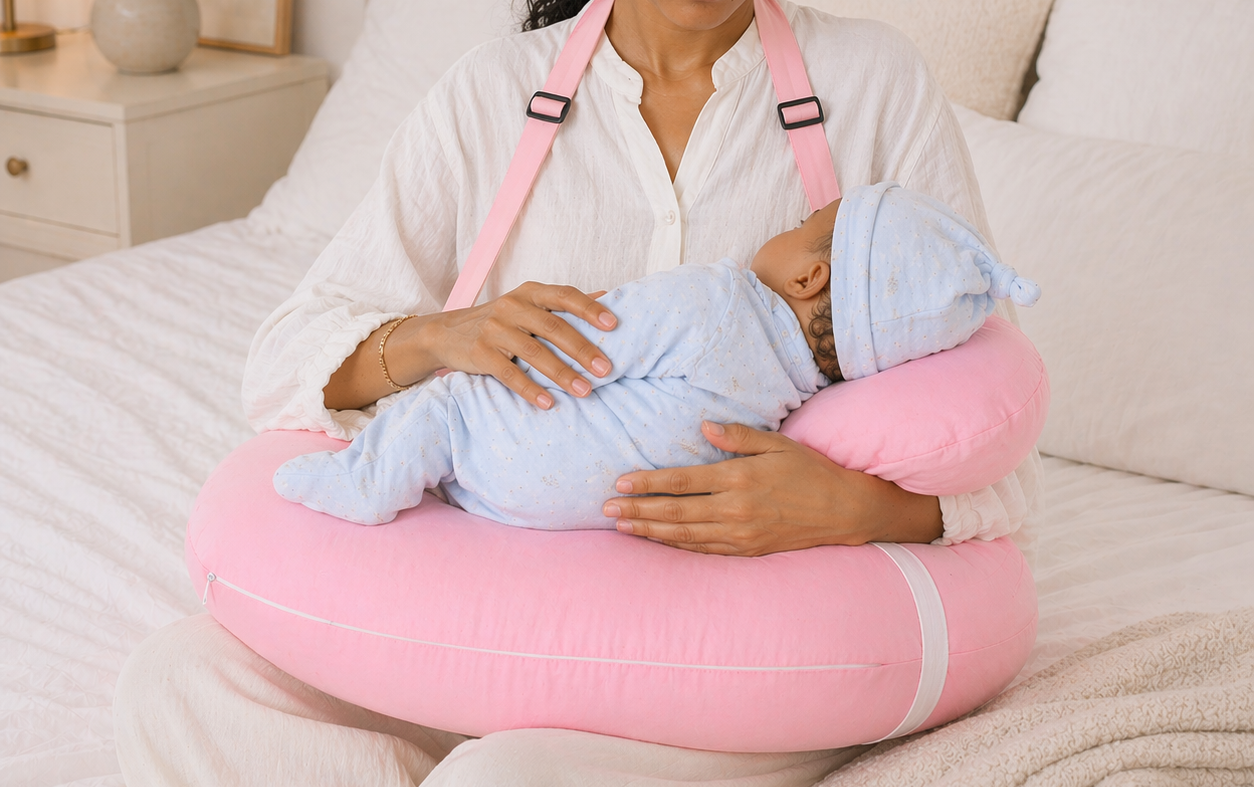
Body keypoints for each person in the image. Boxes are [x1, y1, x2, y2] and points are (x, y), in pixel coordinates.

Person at [114, 0, 1041, 787]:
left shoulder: (872, 89)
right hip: (487, 601)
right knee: (179, 685)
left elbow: (993, 447)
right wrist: (439, 340)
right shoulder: (492, 96)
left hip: (738, 645)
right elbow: (287, 359)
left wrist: (853, 507)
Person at [272, 185, 1040, 530]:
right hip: (587, 511)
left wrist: (504, 355)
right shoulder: (787, 398)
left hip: (506, 451)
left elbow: (598, 337)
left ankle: (362, 482)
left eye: (806, 220)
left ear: (810, 275)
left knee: (445, 409)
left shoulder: (718, 297)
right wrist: (438, 333)